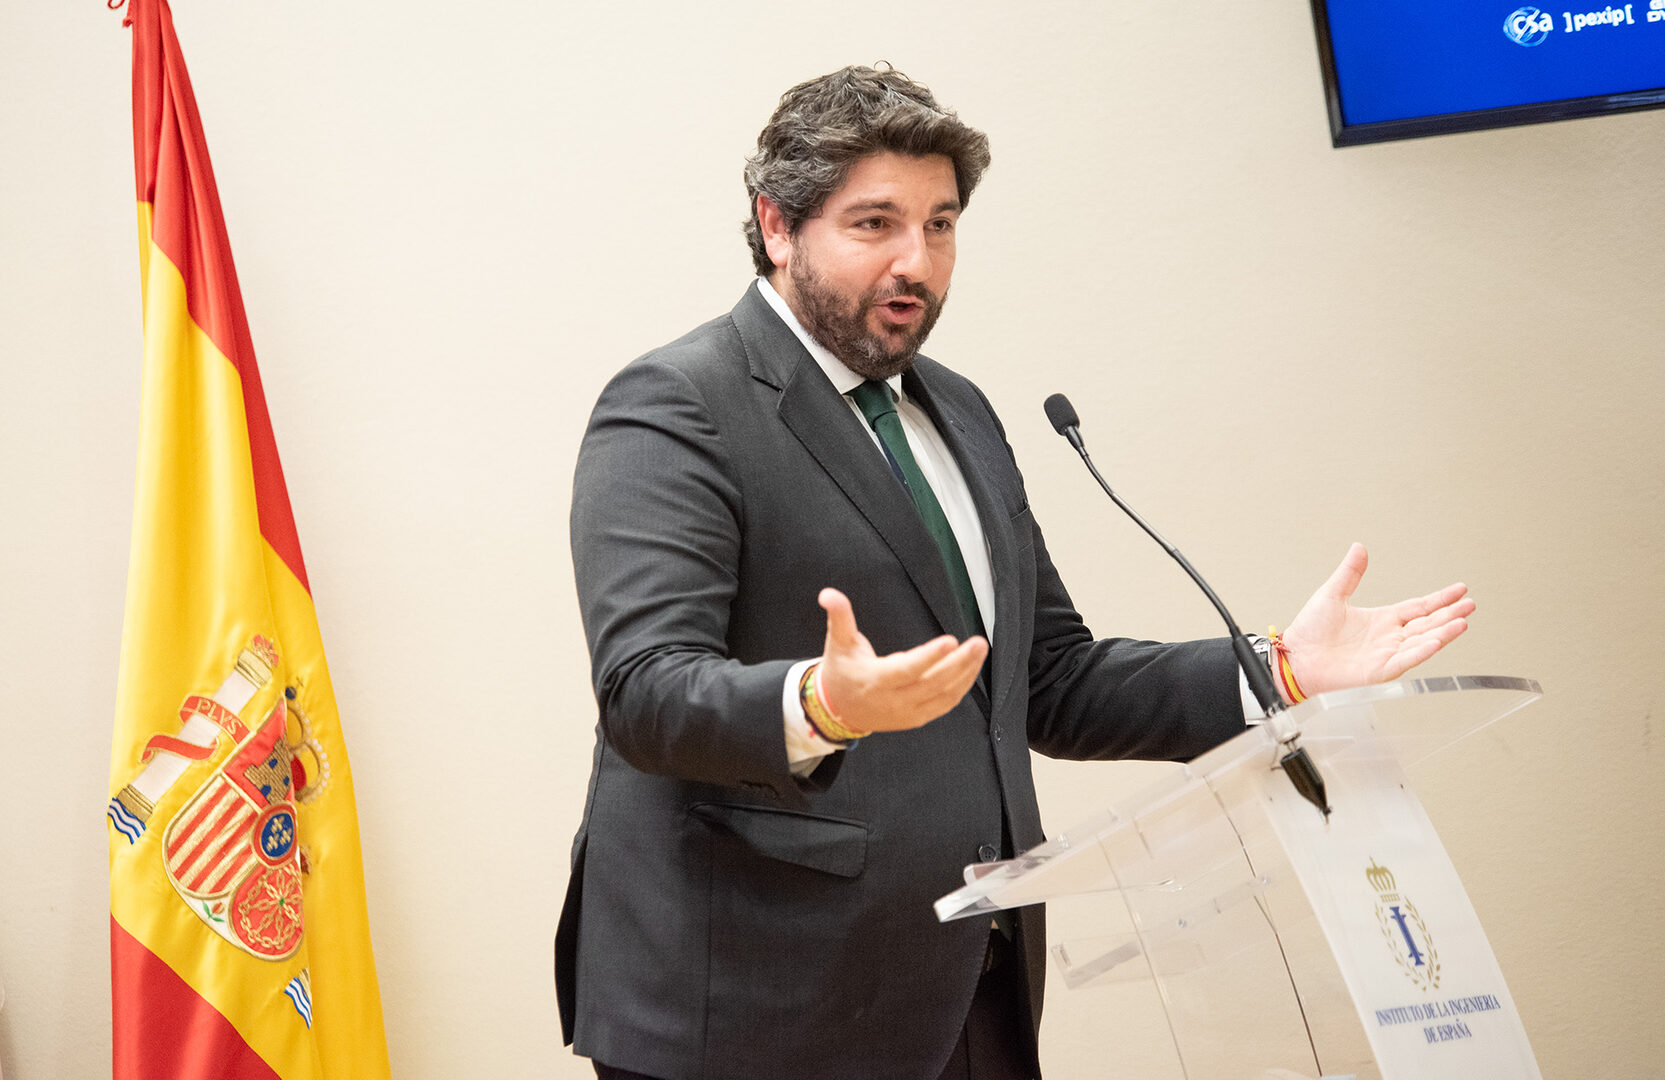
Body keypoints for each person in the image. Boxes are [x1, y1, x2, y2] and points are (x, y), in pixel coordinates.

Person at [556, 65, 1473, 1080]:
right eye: (874, 224)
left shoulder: (957, 410)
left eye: (940, 225)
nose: (916, 262)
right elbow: (644, 692)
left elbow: (1049, 679)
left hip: (966, 982)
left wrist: (1279, 669)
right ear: (778, 226)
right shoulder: (678, 404)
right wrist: (821, 703)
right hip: (752, 1007)